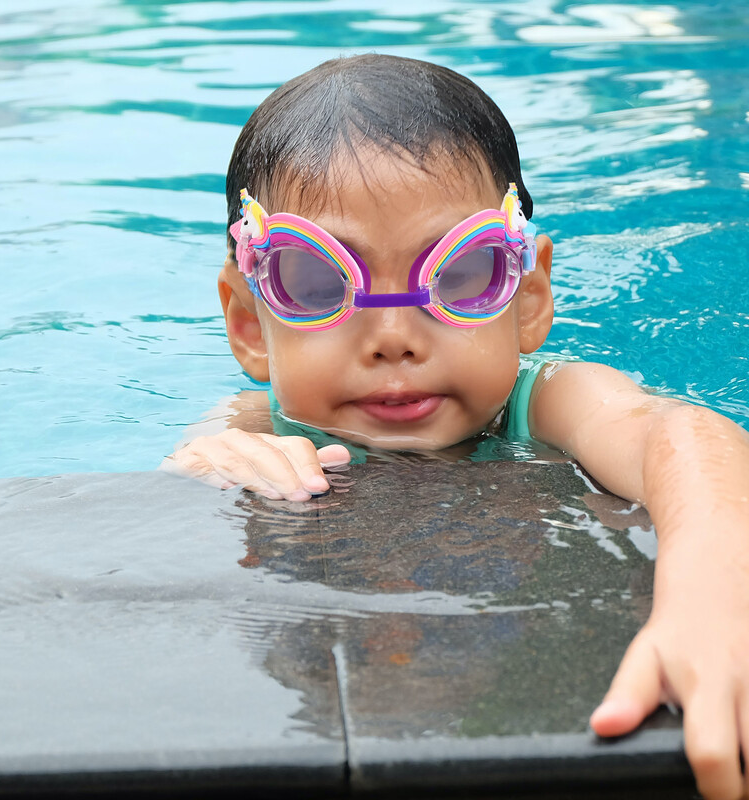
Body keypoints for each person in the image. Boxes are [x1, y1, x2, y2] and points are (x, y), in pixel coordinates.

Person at [163, 54, 749, 800]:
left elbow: (680, 435)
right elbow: (185, 478)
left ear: (527, 299)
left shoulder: (550, 400)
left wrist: (714, 591)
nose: (394, 338)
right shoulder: (257, 421)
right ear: (250, 325)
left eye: (462, 274)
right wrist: (209, 462)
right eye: (314, 282)